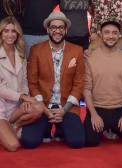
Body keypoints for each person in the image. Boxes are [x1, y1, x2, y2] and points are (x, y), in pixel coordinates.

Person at [21, 12, 86, 149]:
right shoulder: (36, 50)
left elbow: (79, 84)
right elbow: (32, 83)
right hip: (43, 106)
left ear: (66, 30)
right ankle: (47, 127)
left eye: (61, 27)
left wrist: (64, 110)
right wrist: (45, 110)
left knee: (77, 142)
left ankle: (61, 128)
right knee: (29, 142)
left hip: (66, 106)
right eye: (53, 27)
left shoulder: (77, 51)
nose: (57, 31)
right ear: (48, 30)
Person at [0, 17, 43, 151]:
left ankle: (13, 126)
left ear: (18, 34)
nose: (10, 34)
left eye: (13, 31)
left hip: (16, 108)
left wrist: (25, 97)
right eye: (6, 31)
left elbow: (24, 82)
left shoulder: (21, 55)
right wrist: (21, 97)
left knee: (38, 109)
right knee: (13, 145)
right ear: (0, 33)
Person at [84, 20, 122, 147]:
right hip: (98, 108)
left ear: (119, 35)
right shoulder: (90, 58)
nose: (111, 36)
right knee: (90, 141)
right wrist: (93, 115)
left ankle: (114, 128)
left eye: (114, 33)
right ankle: (107, 128)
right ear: (100, 34)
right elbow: (86, 89)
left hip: (120, 109)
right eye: (107, 32)